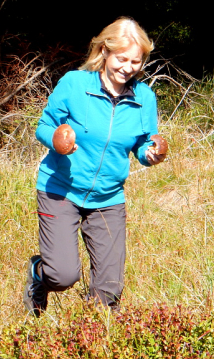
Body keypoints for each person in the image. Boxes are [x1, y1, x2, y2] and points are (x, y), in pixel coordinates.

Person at [23, 17, 166, 317]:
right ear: (104, 51)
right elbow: (43, 126)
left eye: (136, 61)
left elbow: (142, 142)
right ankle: (39, 275)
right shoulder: (76, 85)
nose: (128, 67)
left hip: (108, 197)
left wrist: (148, 154)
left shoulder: (145, 98)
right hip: (61, 189)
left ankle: (89, 338)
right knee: (63, 275)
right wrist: (58, 141)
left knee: (109, 290)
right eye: (122, 59)